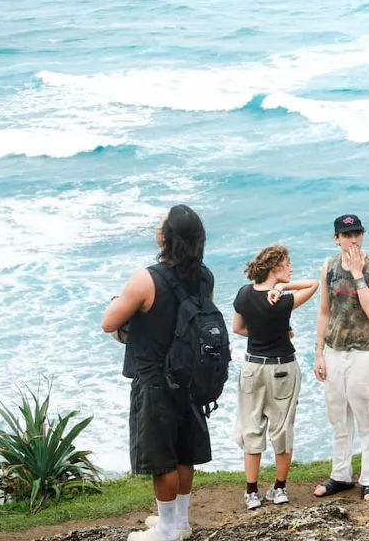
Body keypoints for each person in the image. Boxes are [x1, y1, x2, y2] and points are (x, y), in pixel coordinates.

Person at [101, 204, 213, 541]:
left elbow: (109, 322)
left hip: (155, 380)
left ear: (166, 237)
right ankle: (180, 523)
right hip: (190, 376)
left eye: (161, 223)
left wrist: (119, 300)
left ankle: (165, 531)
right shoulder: (205, 276)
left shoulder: (146, 279)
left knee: (162, 458)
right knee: (184, 452)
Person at [231, 245, 319, 509]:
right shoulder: (281, 300)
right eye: (287, 264)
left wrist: (261, 332)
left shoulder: (243, 293)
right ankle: (279, 489)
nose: (291, 268)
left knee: (251, 427)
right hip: (282, 368)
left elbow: (238, 328)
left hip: (253, 368)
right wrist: (282, 287)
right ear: (275, 268)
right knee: (281, 429)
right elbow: (314, 284)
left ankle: (251, 492)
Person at [312, 214, 369, 502]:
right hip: (335, 350)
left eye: (357, 234)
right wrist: (318, 352)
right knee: (338, 417)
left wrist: (357, 274)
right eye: (347, 235)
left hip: (365, 351)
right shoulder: (329, 266)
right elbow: (324, 311)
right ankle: (341, 474)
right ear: (337, 239)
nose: (353, 240)